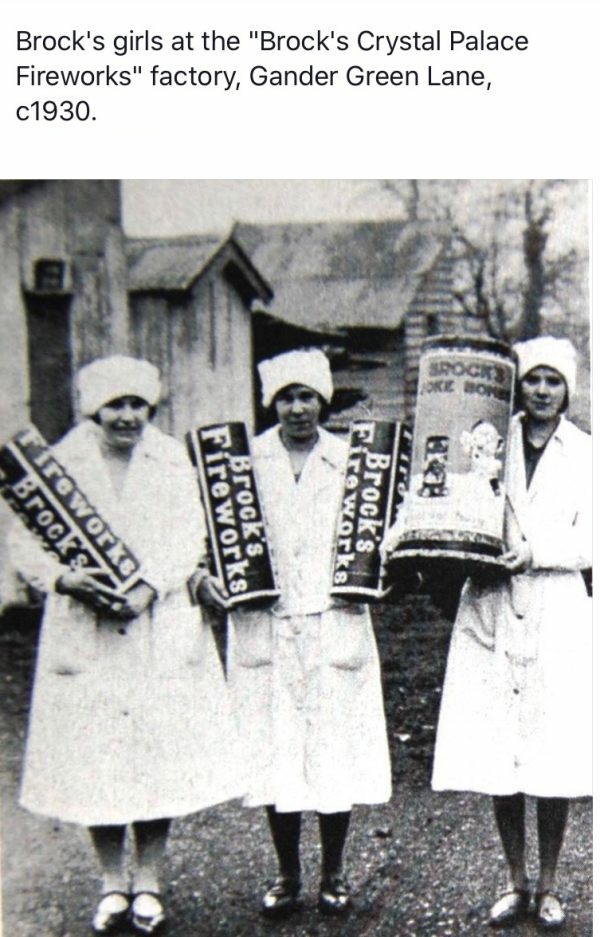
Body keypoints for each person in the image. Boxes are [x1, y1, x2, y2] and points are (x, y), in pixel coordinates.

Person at [10, 355, 240, 935]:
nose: (127, 416)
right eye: (116, 405)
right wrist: (65, 580)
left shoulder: (168, 460)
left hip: (154, 623)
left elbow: (190, 534)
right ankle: (113, 882)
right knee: (97, 757)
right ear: (95, 410)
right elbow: (25, 541)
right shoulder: (60, 464)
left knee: (155, 753)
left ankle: (150, 882)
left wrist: (146, 588)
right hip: (85, 627)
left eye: (137, 405)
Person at [198, 348, 391, 917]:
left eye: (307, 396)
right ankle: (287, 874)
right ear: (271, 403)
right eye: (286, 397)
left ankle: (334, 872)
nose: (298, 408)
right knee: (276, 752)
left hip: (334, 616)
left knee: (334, 752)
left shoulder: (355, 460)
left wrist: (386, 569)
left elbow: (383, 527)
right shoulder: (242, 461)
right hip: (268, 620)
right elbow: (212, 530)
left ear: (323, 401)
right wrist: (208, 573)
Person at [430, 337, 591, 929]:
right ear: (516, 387)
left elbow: (591, 540)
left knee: (553, 753)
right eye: (532, 381)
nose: (542, 391)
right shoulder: (484, 441)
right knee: (499, 751)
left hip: (556, 606)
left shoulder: (588, 454)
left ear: (567, 389)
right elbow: (455, 505)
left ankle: (549, 884)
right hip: (492, 603)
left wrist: (536, 551)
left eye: (553, 381)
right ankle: (513, 880)